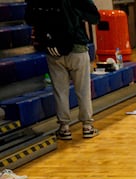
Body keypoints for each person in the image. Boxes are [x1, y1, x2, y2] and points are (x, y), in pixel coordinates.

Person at [25, 0, 100, 141]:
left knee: (60, 91)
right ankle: (87, 126)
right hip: (76, 47)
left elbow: (29, 18)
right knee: (83, 89)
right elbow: (94, 17)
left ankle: (64, 128)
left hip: (52, 49)